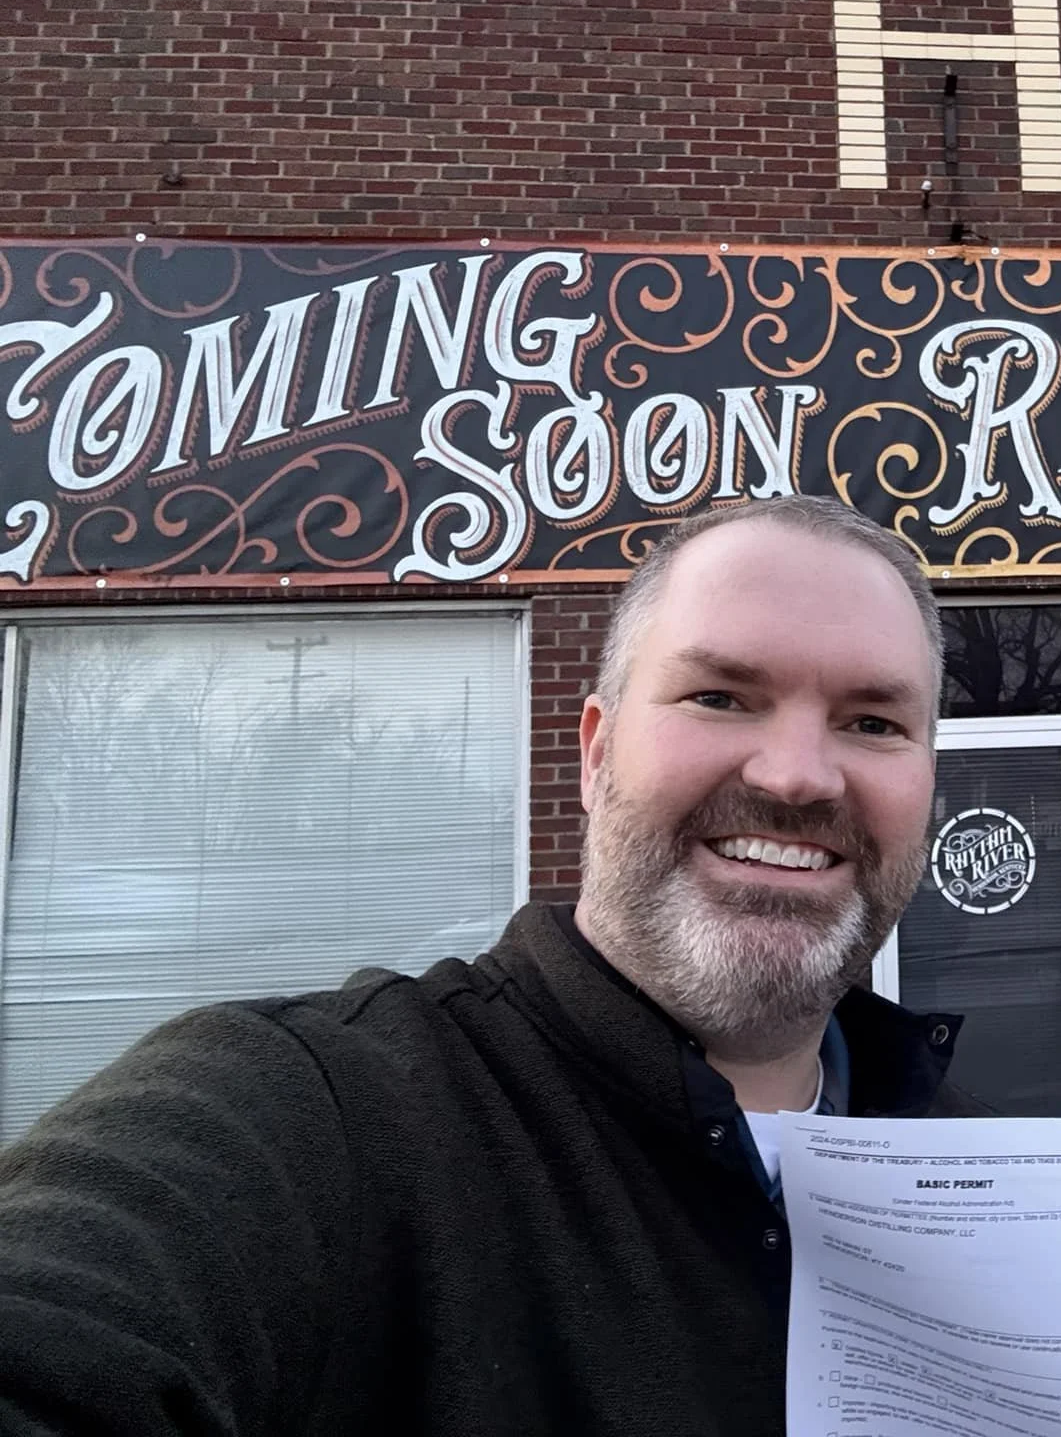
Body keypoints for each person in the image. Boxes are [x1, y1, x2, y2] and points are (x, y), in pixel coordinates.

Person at [0, 495, 980, 1434]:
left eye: (873, 723)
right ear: (594, 756)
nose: (797, 775)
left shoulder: (985, 1188)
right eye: (720, 696)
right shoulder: (315, 1117)